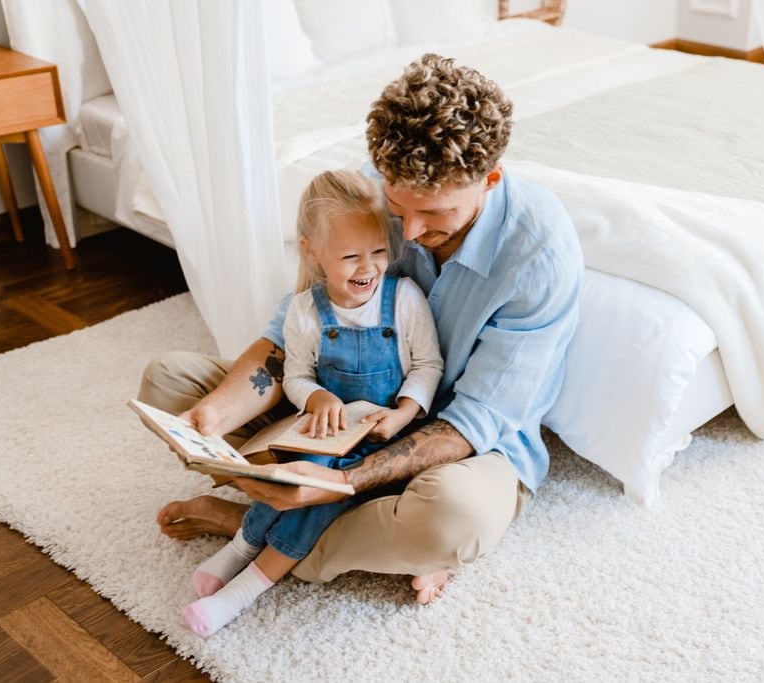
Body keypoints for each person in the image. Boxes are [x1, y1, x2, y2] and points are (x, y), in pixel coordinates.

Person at [145, 53, 583, 606]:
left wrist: (341, 481)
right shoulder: (377, 184)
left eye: (436, 213)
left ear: (489, 179)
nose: (412, 231)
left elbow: (472, 424)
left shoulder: (540, 256)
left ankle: (254, 526)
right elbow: (296, 328)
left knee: (456, 517)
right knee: (170, 384)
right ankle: (352, 531)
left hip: (469, 446)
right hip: (344, 413)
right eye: (399, 209)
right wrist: (214, 417)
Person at [181, 170, 443, 636]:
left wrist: (403, 411)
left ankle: (245, 589)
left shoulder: (403, 299)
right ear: (312, 252)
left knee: (320, 496)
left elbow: (427, 366)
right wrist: (318, 397)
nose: (368, 268)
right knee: (293, 472)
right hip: (323, 433)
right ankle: (241, 546)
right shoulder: (304, 310)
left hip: (384, 438)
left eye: (379, 251)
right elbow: (296, 375)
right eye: (350, 256)